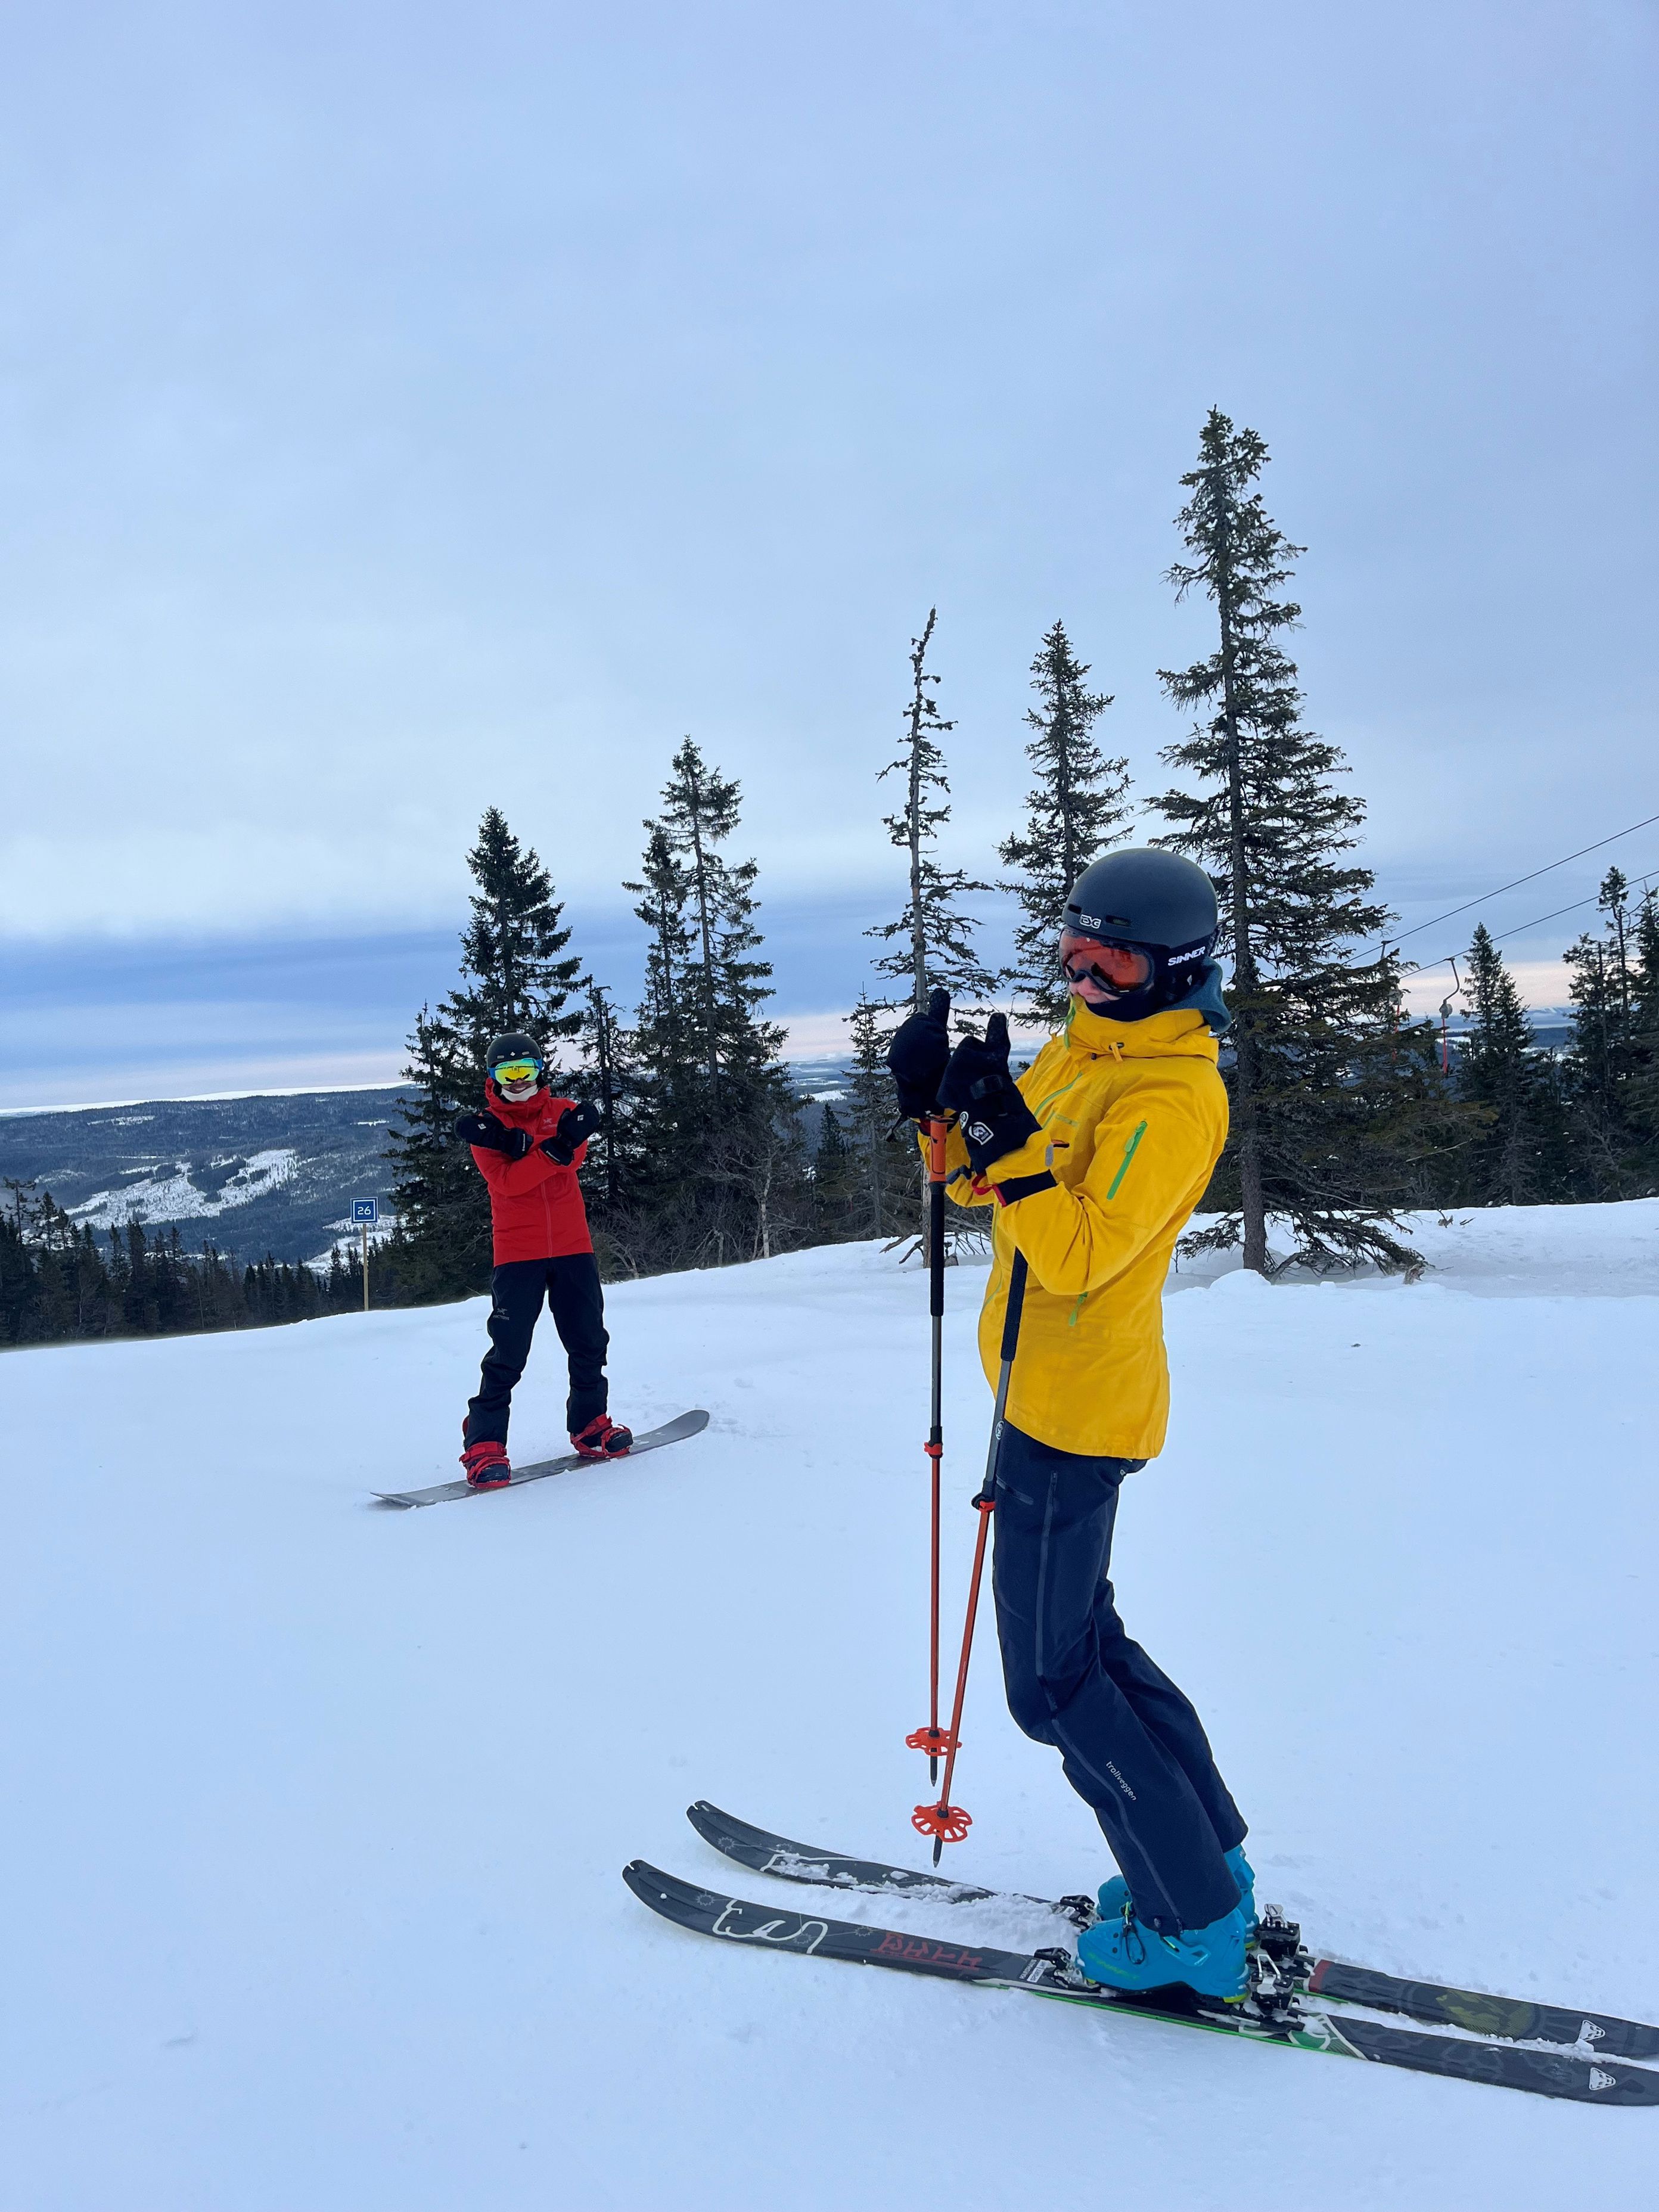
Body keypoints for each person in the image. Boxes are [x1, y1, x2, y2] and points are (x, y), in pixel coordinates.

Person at [887, 848, 1254, 2000]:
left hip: (1075, 1410)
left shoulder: (1170, 1096)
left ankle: (1191, 1923)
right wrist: (940, 1113)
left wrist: (1009, 1143)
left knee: (1048, 1685)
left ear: (1175, 969)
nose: (1083, 977)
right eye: (1071, 951)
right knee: (1086, 1644)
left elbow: (1081, 1252)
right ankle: (1211, 1867)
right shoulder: (1078, 1052)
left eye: (1112, 961)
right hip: (1031, 1390)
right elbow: (982, 1191)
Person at [452, 1032, 632, 1489]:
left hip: (574, 1246)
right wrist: (549, 1148)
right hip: (518, 1252)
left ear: (539, 1071)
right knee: (509, 1351)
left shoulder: (565, 1111)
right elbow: (508, 1184)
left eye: (525, 1070)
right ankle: (484, 1443)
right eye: (507, 1072)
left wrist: (528, 1147)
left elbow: (571, 1159)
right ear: (493, 1077)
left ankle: (590, 1425)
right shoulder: (485, 1129)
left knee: (588, 1341)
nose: (517, 1081)